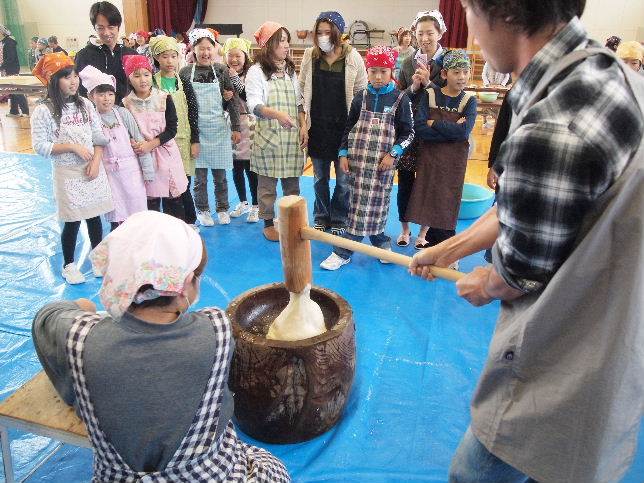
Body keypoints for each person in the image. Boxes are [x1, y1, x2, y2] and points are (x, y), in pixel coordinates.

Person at [409, 1, 644, 481]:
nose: (470, 32)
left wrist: (484, 282)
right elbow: (523, 205)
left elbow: (518, 275)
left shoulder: (553, 124)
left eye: (471, 12)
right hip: (615, 318)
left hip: (569, 336)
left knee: (481, 470)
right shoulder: (606, 74)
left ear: (507, 14)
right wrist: (446, 250)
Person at [32, 210, 291, 481]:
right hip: (211, 475)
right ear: (186, 284)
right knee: (271, 467)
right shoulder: (217, 329)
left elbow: (45, 318)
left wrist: (83, 307)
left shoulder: (78, 337)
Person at [320, 46, 414, 270]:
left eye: (383, 71)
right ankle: (352, 250)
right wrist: (343, 153)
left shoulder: (401, 99)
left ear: (392, 70)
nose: (378, 77)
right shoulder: (360, 97)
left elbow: (409, 133)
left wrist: (394, 153)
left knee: (377, 208)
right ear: (367, 71)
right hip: (357, 165)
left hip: (382, 168)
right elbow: (348, 128)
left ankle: (372, 244)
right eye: (373, 71)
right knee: (354, 207)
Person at [31, 53, 113, 284]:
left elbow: (98, 135)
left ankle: (97, 260)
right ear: (53, 81)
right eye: (66, 77)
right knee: (73, 220)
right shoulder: (44, 111)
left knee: (95, 218)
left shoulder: (86, 104)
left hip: (91, 171)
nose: (73, 81)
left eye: (75, 75)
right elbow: (40, 145)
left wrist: (96, 162)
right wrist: (71, 146)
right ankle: (69, 265)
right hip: (67, 174)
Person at [405, 50, 477, 267]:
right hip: (431, 159)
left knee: (448, 200)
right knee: (429, 197)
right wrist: (452, 127)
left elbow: (464, 133)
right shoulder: (430, 95)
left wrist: (434, 123)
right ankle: (432, 244)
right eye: (457, 72)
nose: (462, 77)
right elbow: (419, 128)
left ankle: (449, 251)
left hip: (454, 162)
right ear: (445, 74)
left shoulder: (469, 100)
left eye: (466, 72)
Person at [299, 11, 367, 236]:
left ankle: (339, 217)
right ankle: (321, 215)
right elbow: (301, 93)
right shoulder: (310, 56)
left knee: (344, 181)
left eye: (328, 32)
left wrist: (356, 130)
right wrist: (303, 125)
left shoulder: (353, 57)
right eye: (319, 32)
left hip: (343, 130)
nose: (323, 37)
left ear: (338, 33)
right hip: (317, 128)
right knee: (319, 179)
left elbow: (361, 95)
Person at [246, 22, 307, 242]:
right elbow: (253, 105)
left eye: (286, 39)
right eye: (281, 40)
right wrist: (278, 115)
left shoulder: (289, 70)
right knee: (267, 187)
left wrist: (303, 127)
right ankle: (268, 223)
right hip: (269, 137)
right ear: (268, 44)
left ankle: (291, 219)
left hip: (291, 136)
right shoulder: (256, 71)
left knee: (292, 185)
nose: (286, 45)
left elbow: (299, 102)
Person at [395, 10, 447, 249]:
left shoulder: (448, 62)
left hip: (435, 134)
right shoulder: (407, 63)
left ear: (440, 33)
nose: (425, 38)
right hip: (409, 132)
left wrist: (429, 84)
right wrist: (414, 87)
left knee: (429, 183)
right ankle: (405, 229)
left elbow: (451, 100)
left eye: (430, 33)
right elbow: (397, 98)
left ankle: (423, 233)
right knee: (405, 181)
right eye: (420, 33)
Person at [79, 65, 153, 231]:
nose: (106, 98)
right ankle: (118, 250)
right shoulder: (90, 119)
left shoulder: (123, 113)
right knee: (116, 217)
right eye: (101, 94)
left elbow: (139, 141)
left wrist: (147, 170)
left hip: (132, 172)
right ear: (91, 96)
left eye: (110, 94)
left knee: (138, 217)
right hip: (109, 176)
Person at [179, 29, 240, 227]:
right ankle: (203, 210)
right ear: (193, 50)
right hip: (196, 132)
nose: (205, 52)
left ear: (214, 49)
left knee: (221, 178)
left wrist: (236, 127)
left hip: (219, 130)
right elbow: (184, 104)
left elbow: (232, 100)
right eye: (201, 48)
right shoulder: (185, 72)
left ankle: (223, 209)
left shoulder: (221, 70)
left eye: (209, 48)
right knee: (200, 178)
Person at [122, 54, 188, 220]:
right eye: (136, 76)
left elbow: (172, 128)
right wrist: (134, 144)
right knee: (149, 203)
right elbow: (124, 132)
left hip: (165, 153)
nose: (142, 80)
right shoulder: (126, 104)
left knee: (173, 199)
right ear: (129, 79)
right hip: (142, 158)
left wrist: (151, 144)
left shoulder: (164, 97)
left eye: (146, 74)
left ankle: (176, 236)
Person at [152, 35, 200, 230]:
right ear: (156, 58)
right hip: (162, 142)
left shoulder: (184, 82)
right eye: (164, 57)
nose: (170, 61)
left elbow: (193, 111)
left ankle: (189, 220)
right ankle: (173, 223)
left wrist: (195, 140)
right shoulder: (152, 83)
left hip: (184, 139)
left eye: (173, 56)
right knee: (166, 183)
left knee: (184, 183)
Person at [223, 37, 260, 223]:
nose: (234, 60)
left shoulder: (251, 75)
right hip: (230, 125)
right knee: (236, 167)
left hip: (249, 123)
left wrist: (234, 78)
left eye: (238, 56)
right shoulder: (223, 75)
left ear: (245, 57)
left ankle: (256, 205)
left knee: (250, 167)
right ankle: (243, 202)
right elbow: (222, 104)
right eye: (230, 56)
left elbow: (246, 94)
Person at [75, 1, 136, 104]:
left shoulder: (132, 55)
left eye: (111, 27)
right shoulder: (83, 56)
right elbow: (80, 90)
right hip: (96, 115)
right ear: (95, 27)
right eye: (100, 28)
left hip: (129, 114)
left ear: (118, 27)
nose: (106, 33)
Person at [0, 26, 30, 118]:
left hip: (11, 69)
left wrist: (1, 66)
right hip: (6, 69)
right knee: (11, 91)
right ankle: (14, 111)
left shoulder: (9, 42)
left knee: (16, 90)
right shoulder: (3, 42)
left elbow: (11, 58)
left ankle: (25, 111)